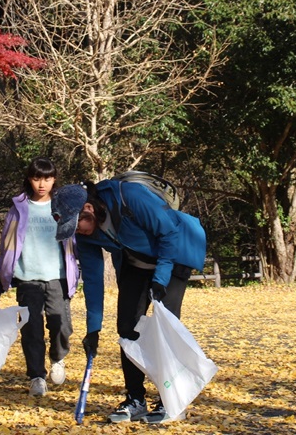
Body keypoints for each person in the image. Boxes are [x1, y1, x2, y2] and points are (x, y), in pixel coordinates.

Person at [51, 179, 206, 424]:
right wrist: (93, 329)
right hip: (137, 263)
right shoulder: (86, 236)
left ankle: (172, 401)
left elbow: (168, 232)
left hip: (174, 254)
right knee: (127, 328)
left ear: (88, 209)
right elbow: (93, 280)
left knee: (166, 327)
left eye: (76, 225)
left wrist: (160, 279)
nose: (76, 232)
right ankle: (135, 399)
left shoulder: (130, 196)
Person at [0, 157, 79, 397]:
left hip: (58, 277)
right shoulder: (18, 208)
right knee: (31, 328)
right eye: (37, 178)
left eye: (47, 179)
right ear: (29, 179)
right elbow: (7, 243)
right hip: (27, 277)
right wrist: (0, 272)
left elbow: (74, 242)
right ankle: (37, 376)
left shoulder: (63, 208)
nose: (42, 184)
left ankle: (58, 358)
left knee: (61, 325)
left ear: (54, 180)